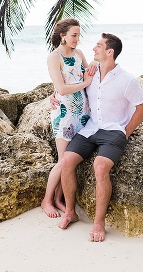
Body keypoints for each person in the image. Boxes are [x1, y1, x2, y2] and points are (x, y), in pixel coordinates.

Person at [57, 33, 143, 242]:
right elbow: (67, 87)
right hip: (90, 128)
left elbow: (142, 108)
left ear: (110, 52)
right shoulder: (90, 73)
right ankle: (70, 212)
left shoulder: (127, 80)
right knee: (67, 162)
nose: (93, 49)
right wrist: (55, 97)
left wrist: (127, 130)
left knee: (100, 166)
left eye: (98, 46)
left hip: (114, 130)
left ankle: (99, 223)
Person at [41, 18, 96, 218]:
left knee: (72, 161)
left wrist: (95, 67)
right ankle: (47, 201)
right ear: (62, 35)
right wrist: (83, 83)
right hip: (64, 115)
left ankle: (58, 199)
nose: (77, 39)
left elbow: (91, 75)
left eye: (79, 35)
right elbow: (63, 88)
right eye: (74, 35)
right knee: (62, 161)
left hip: (82, 114)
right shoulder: (54, 57)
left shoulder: (79, 54)